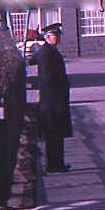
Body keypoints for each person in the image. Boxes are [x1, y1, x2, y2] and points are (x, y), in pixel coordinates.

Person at [35, 24, 73, 172]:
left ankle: (57, 163)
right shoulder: (45, 54)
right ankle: (53, 164)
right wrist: (59, 88)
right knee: (53, 134)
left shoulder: (52, 52)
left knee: (57, 133)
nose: (58, 39)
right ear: (47, 37)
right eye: (55, 36)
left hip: (56, 99)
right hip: (52, 100)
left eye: (58, 36)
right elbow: (48, 77)